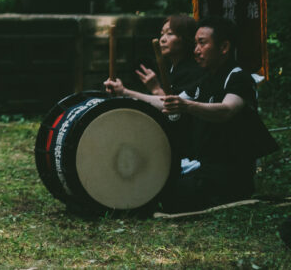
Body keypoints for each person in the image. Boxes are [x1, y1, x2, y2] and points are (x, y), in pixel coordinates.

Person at [105, 16, 278, 212]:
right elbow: (167, 103)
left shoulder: (238, 77)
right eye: (195, 44)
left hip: (231, 169)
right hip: (206, 166)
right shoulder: (206, 80)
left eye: (202, 43)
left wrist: (187, 106)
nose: (196, 50)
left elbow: (227, 110)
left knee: (170, 195)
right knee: (156, 184)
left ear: (224, 47)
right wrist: (124, 92)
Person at [134, 14, 202, 96]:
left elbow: (174, 107)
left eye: (170, 33)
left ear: (186, 37)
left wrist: (156, 89)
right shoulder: (168, 67)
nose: (162, 39)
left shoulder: (193, 72)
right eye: (162, 34)